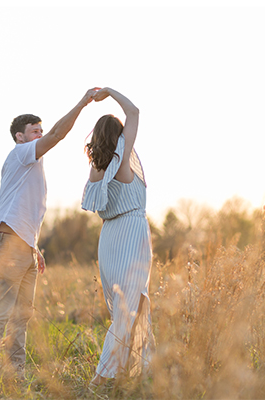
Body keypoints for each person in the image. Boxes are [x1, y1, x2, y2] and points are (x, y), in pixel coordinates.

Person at [0, 88, 99, 380]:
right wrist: (83, 103)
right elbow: (59, 134)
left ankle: (16, 373)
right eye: (35, 131)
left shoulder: (30, 166)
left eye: (41, 130)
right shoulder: (22, 153)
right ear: (20, 136)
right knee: (2, 310)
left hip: (23, 246)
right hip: (6, 244)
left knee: (22, 316)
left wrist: (34, 248)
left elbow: (22, 210)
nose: (42, 135)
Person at [80, 87, 154, 384]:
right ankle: (102, 377)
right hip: (132, 231)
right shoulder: (122, 161)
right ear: (120, 136)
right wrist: (110, 92)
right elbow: (134, 111)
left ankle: (131, 372)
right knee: (129, 308)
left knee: (131, 307)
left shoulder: (96, 169)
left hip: (109, 237)